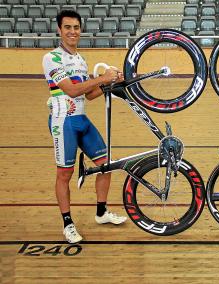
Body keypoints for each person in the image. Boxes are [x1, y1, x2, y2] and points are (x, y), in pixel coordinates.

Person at [42, 10, 127, 244]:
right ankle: (68, 224)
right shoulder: (52, 58)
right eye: (67, 27)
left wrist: (111, 82)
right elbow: (71, 90)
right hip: (63, 123)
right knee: (65, 173)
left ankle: (101, 212)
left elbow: (88, 95)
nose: (72, 31)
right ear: (59, 30)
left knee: (105, 165)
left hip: (81, 119)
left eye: (76, 27)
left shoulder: (80, 59)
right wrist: (102, 77)